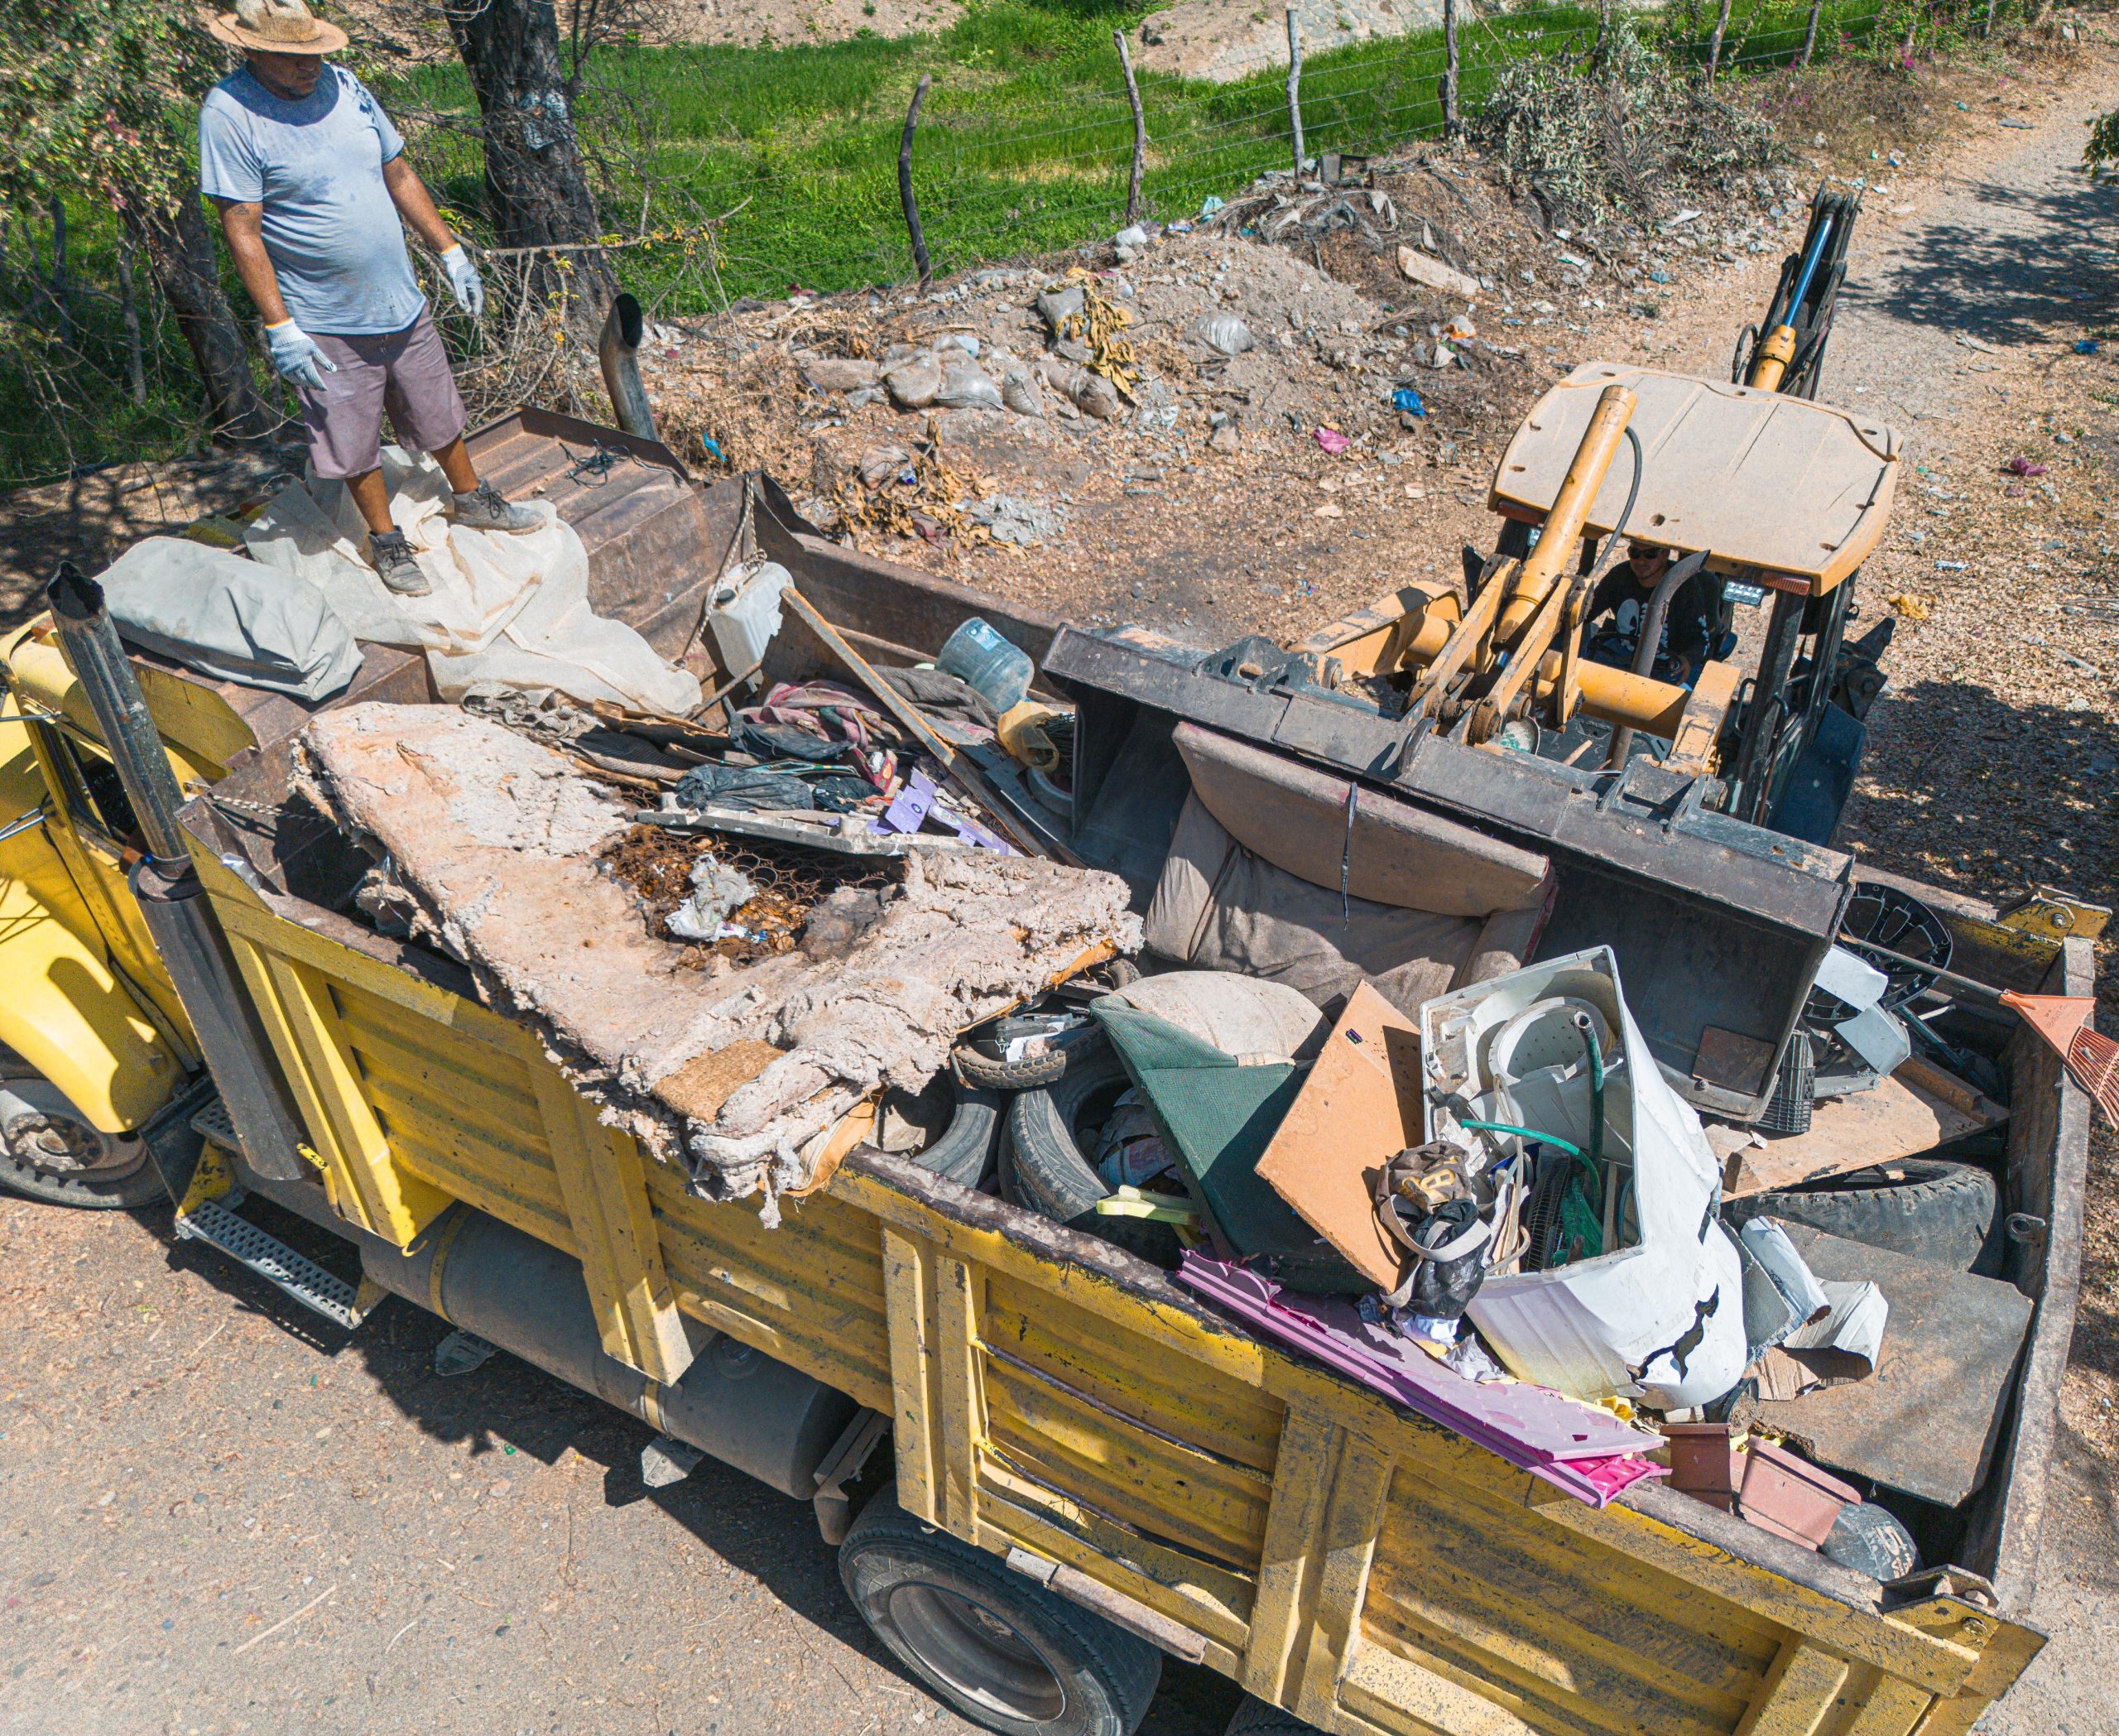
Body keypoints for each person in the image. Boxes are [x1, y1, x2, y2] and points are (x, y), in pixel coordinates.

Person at [199, 0, 539, 598]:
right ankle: (385, 540)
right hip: (324, 316)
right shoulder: (231, 113)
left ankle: (472, 499)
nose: (311, 67)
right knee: (351, 438)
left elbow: (398, 172)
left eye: (315, 53)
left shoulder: (346, 87)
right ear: (251, 52)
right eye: (293, 57)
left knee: (438, 406)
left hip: (397, 298)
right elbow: (242, 228)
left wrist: (450, 250)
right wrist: (281, 326)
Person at [1583, 541, 1721, 689]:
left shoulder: (1686, 588)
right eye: (1635, 553)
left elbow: (1699, 639)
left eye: (1650, 554)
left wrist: (1687, 659)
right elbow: (1587, 612)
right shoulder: (1619, 576)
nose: (1641, 561)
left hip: (1667, 667)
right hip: (1617, 655)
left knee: (1686, 699)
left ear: (1664, 555)